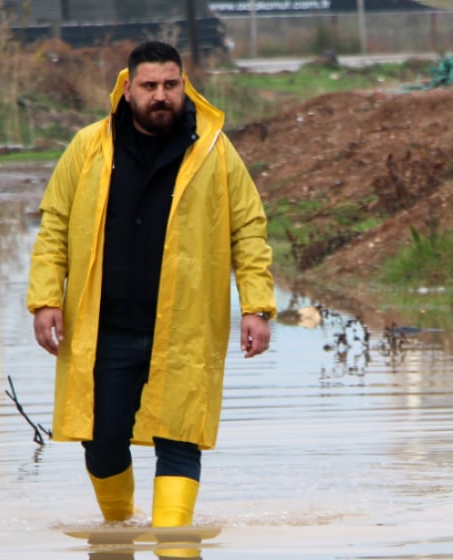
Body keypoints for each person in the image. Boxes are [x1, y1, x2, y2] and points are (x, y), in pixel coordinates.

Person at [27, 40, 275, 528]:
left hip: (185, 327)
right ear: (128, 87)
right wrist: (45, 299)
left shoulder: (215, 152)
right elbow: (55, 225)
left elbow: (249, 228)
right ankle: (118, 531)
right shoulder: (88, 148)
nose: (161, 95)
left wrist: (256, 307)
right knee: (101, 439)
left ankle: (174, 553)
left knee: (181, 435)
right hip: (107, 326)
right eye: (150, 86)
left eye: (170, 85)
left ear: (184, 86)